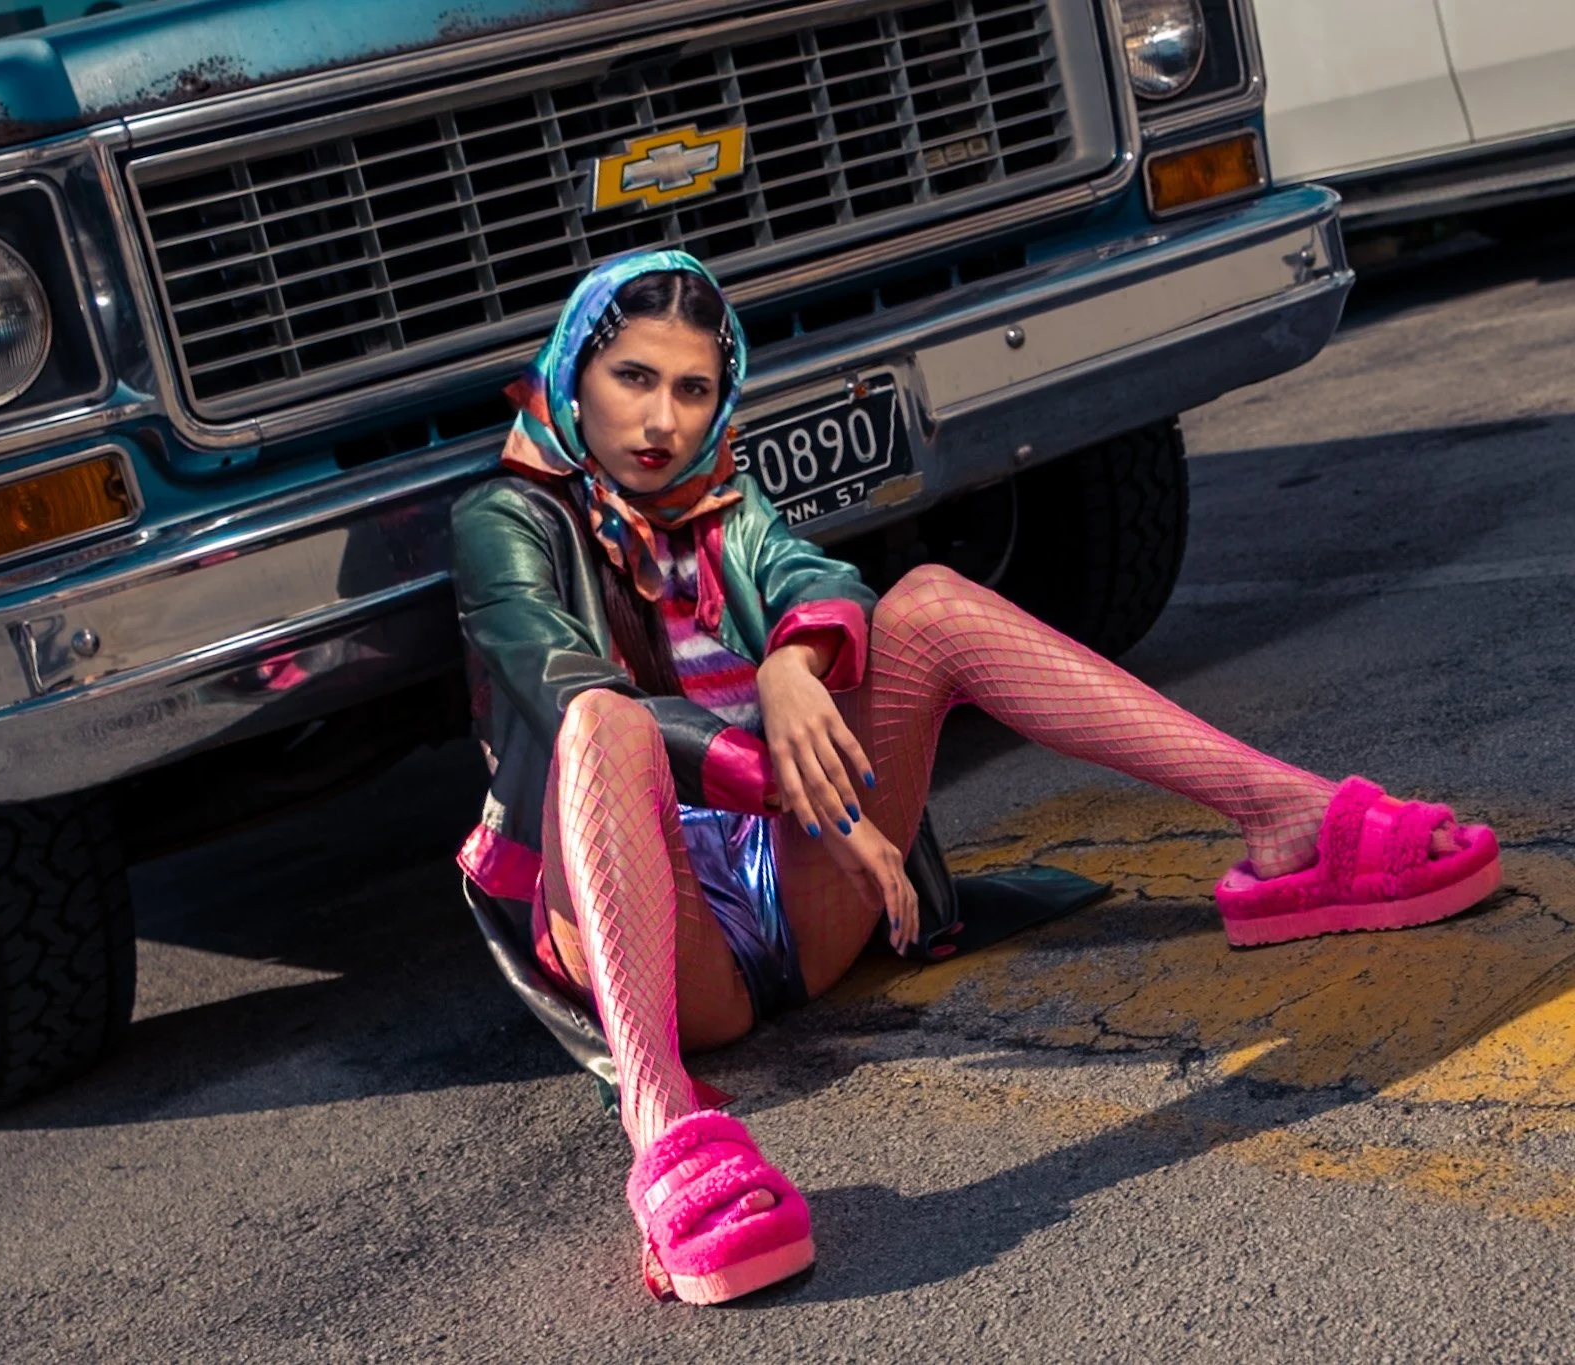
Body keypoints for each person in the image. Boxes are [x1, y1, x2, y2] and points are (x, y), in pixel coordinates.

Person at [448, 250, 1501, 1306]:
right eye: (631, 378)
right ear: (574, 373)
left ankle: (1289, 823)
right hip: (659, 938)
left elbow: (809, 577)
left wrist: (790, 660)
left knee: (930, 603)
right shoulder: (505, 519)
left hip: (801, 901)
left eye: (692, 389)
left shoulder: (719, 499)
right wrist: (783, 786)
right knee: (596, 719)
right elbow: (551, 679)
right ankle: (665, 1135)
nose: (660, 421)